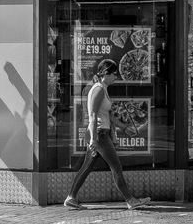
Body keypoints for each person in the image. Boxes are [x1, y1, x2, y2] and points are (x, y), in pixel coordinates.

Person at [63, 58, 150, 211]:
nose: (116, 77)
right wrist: (94, 140)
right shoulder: (98, 89)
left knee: (86, 168)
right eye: (114, 74)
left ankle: (71, 198)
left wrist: (123, 127)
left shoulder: (103, 88)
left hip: (100, 133)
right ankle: (130, 200)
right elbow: (93, 115)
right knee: (116, 167)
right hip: (100, 134)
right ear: (106, 73)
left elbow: (108, 115)